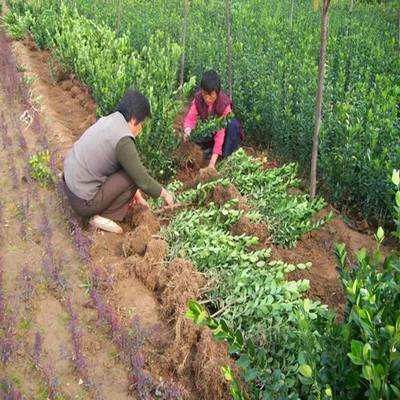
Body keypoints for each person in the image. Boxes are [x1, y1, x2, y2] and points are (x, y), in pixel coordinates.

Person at [63, 89, 174, 234]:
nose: (141, 128)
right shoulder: (124, 140)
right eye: (142, 124)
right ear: (134, 120)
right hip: (83, 202)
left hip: (69, 183)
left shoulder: (110, 119)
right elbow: (141, 178)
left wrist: (138, 197)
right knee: (131, 177)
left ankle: (100, 209)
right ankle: (102, 216)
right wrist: (164, 194)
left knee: (128, 173)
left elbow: (118, 165)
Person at [182, 70, 242, 169]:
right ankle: (209, 149)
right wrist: (187, 131)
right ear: (201, 90)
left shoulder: (224, 105)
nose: (207, 99)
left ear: (217, 93)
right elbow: (190, 118)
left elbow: (220, 134)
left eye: (211, 96)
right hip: (211, 130)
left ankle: (226, 154)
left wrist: (211, 164)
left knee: (232, 124)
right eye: (205, 94)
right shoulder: (198, 99)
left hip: (226, 133)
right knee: (197, 132)